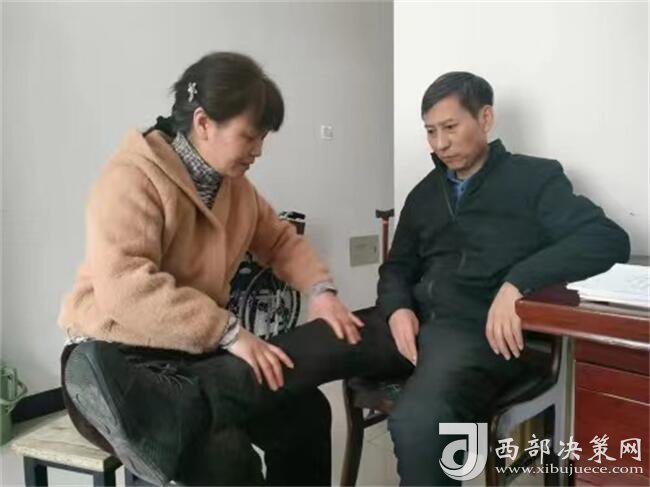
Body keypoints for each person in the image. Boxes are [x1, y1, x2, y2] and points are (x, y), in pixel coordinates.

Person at [59, 51, 411, 486]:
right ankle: (174, 411)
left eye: (263, 137)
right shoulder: (132, 177)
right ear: (204, 122)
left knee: (306, 415)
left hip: (194, 356)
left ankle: (188, 404)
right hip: (113, 368)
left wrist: (321, 291)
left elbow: (280, 241)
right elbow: (126, 288)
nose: (258, 150)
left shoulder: (236, 189)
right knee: (225, 456)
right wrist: (230, 333)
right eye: (249, 136)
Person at [378, 71, 630, 485]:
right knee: (289, 360)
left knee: (420, 424)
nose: (440, 144)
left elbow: (607, 240)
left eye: (450, 127)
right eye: (430, 132)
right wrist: (396, 307)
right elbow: (397, 267)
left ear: (485, 118)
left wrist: (518, 283)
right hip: (412, 321)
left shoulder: (533, 178)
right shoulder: (424, 193)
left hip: (475, 333)